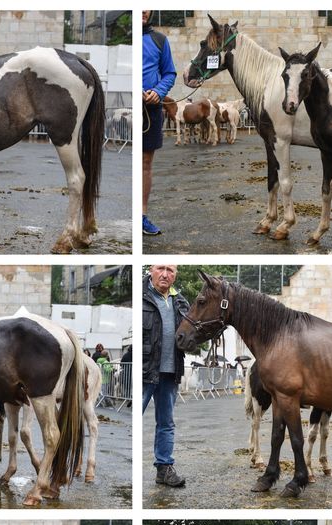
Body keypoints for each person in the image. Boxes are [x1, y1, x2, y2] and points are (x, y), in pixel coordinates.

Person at [142, 265, 189, 487]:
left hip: (171, 371)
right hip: (145, 370)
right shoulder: (141, 295)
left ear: (175, 275)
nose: (165, 274)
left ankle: (164, 468)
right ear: (151, 270)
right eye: (160, 268)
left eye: (170, 270)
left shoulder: (181, 301)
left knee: (166, 423)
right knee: (134, 418)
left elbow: (190, 333)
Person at [142, 10, 176, 236]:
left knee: (145, 163)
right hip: (130, 107)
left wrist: (158, 91)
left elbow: (169, 73)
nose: (143, 9)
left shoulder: (159, 40)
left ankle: (142, 216)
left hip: (151, 108)